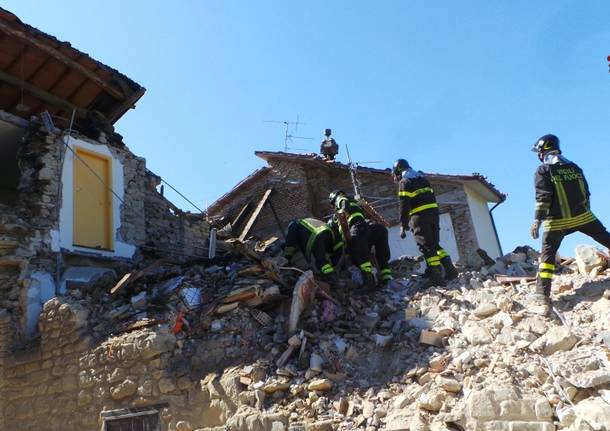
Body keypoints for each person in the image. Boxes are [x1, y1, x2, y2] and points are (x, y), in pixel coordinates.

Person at [530, 134, 610, 309]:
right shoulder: (574, 167)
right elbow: (586, 192)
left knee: (547, 257)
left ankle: (542, 295)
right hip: (583, 216)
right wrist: (585, 211)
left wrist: (537, 219)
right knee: (605, 238)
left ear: (543, 151)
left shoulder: (543, 170)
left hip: (556, 222)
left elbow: (543, 198)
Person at [392, 158, 458, 286]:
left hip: (419, 217)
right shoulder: (423, 180)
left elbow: (404, 205)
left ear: (398, 171)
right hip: (434, 215)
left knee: (426, 247)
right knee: (434, 244)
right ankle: (450, 270)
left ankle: (436, 277)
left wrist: (403, 225)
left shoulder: (405, 182)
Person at [328, 190, 376, 287]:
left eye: (333, 205)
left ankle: (369, 281)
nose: (334, 208)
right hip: (363, 227)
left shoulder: (340, 199)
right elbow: (366, 207)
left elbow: (344, 203)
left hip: (356, 227)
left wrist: (342, 214)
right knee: (362, 253)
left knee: (360, 255)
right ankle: (369, 278)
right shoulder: (354, 201)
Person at [284, 217, 340, 284]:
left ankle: (332, 279)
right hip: (327, 232)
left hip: (316, 236)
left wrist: (287, 258)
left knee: (321, 261)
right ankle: (334, 269)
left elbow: (290, 244)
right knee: (324, 256)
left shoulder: (292, 226)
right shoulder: (304, 221)